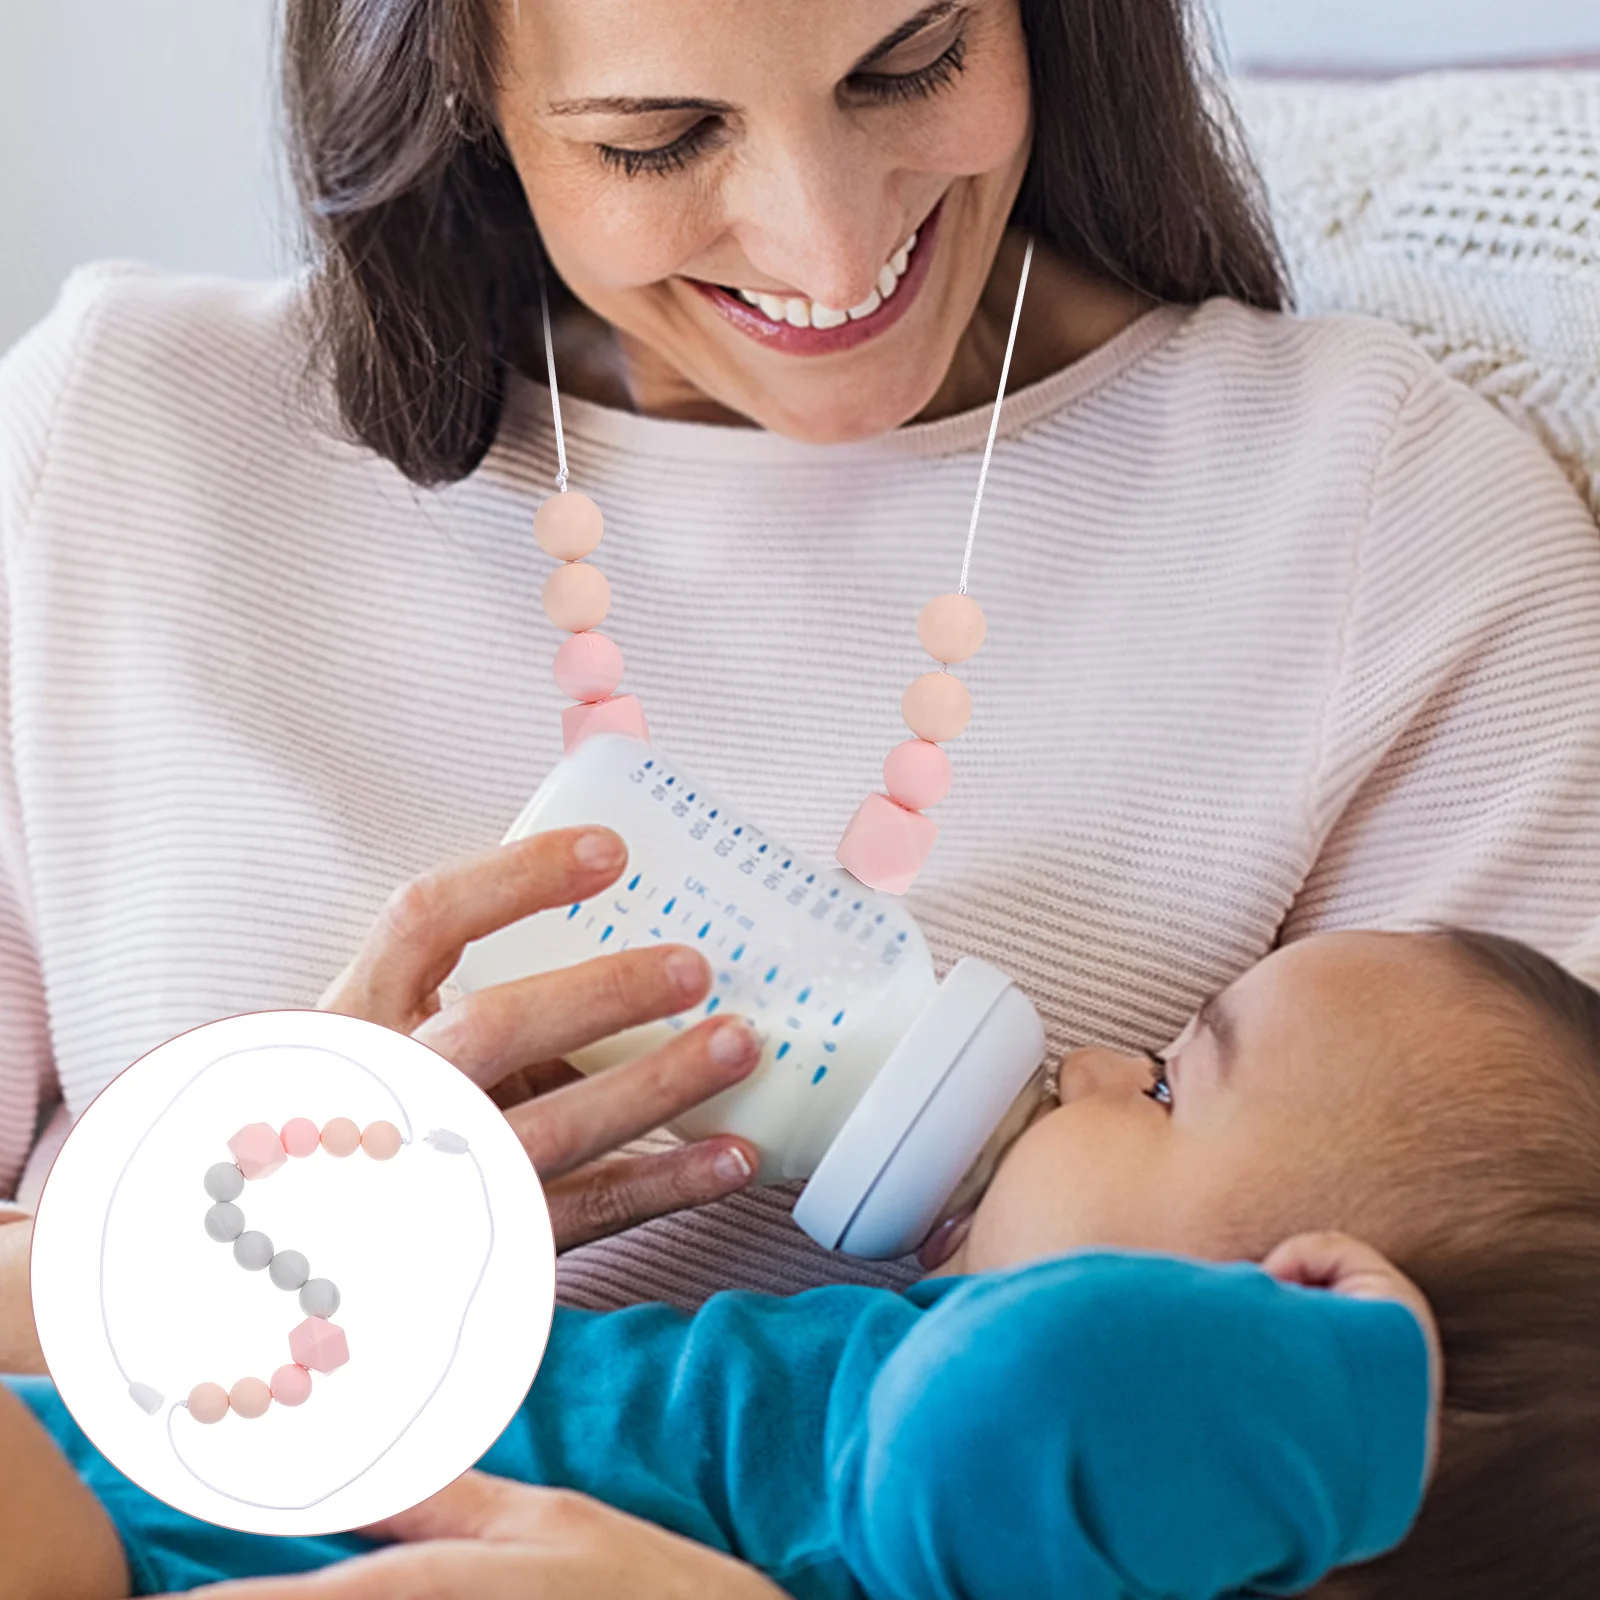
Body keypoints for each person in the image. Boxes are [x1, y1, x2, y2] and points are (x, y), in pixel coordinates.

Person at [5, 0, 1600, 1590]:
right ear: (458, 91)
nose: (833, 253)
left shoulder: (1394, 539)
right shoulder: (113, 443)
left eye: (912, 63)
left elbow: (1501, 1479)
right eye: (657, 137)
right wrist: (240, 1229)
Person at [8, 925, 1600, 1600]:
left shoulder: (978, 1497)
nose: (1104, 1059)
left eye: (1176, 1082)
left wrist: (1351, 1388)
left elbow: (1037, 1391)